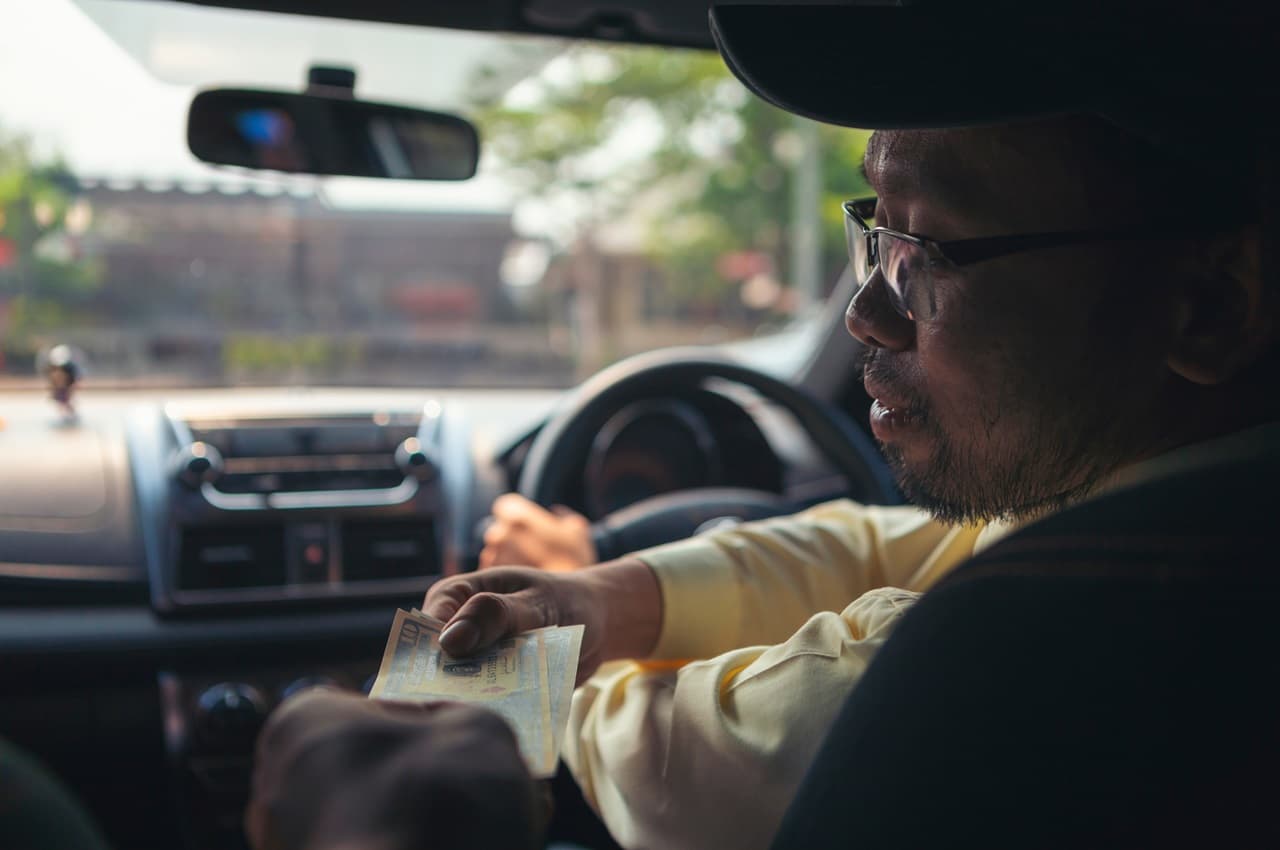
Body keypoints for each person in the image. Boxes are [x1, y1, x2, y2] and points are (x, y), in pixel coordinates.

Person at [247, 5, 1280, 850]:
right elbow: (919, 547)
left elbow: (701, 764)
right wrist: (604, 594)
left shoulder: (1036, 652)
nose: (864, 313)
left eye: (934, 251)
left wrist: (517, 684)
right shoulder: (1151, 510)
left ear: (1210, 301)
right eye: (877, 232)